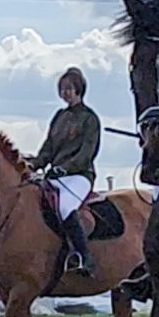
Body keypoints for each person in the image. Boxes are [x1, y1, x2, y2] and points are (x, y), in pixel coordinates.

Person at [29, 67, 103, 275]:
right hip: (57, 175)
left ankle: (85, 257)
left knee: (65, 207)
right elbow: (48, 147)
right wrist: (34, 165)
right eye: (62, 89)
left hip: (79, 176)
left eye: (69, 88)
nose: (65, 93)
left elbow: (87, 153)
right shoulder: (59, 116)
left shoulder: (90, 118)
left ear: (79, 89)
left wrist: (64, 168)